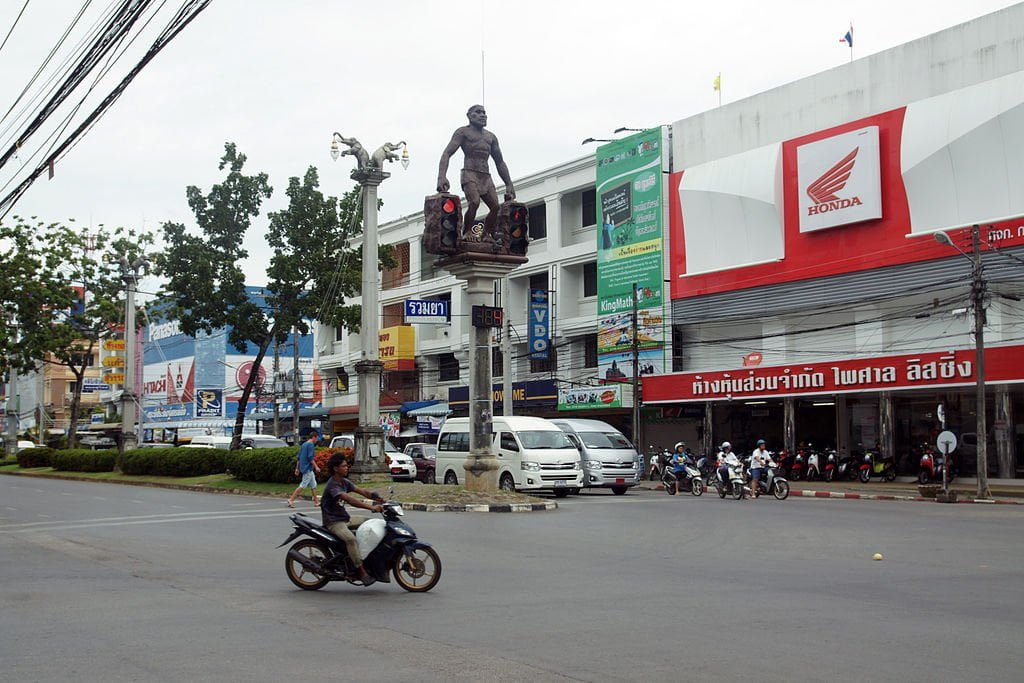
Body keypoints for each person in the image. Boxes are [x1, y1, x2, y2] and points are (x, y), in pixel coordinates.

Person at [436, 104, 515, 237]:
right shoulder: (463, 132)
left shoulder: (491, 137)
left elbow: (500, 162)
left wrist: (509, 183)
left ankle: (486, 234)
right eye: (478, 112)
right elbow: (447, 153)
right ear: (469, 116)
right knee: (474, 202)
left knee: (495, 207)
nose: (482, 115)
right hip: (469, 173)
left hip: (485, 176)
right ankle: (467, 232)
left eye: (484, 112)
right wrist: (441, 177)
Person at [321, 452, 384, 587]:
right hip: (333, 522)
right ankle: (362, 573)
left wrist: (377, 498)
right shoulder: (333, 485)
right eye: (344, 466)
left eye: (346, 465)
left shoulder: (344, 482)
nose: (347, 468)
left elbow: (362, 491)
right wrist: (371, 507)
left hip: (344, 518)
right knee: (351, 540)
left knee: (370, 523)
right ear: (336, 469)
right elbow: (350, 500)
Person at [287, 430, 321, 508]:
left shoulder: (304, 444)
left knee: (313, 485)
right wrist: (316, 466)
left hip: (304, 467)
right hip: (307, 468)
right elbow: (310, 457)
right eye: (316, 438)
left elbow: (299, 457)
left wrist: (297, 468)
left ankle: (316, 502)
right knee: (303, 484)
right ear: (313, 437)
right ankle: (291, 499)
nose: (317, 440)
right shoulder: (310, 445)